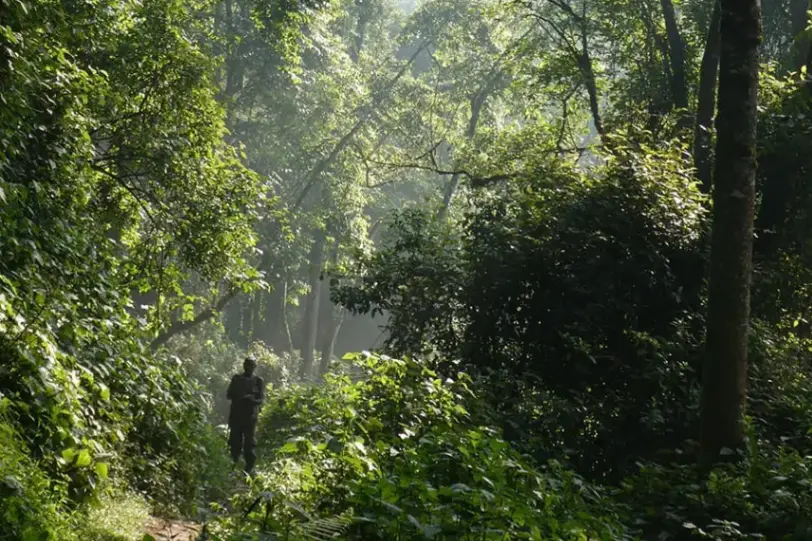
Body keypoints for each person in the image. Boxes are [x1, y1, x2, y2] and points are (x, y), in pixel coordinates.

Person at [226, 357, 264, 474]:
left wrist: (251, 400)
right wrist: (240, 396)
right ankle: (232, 468)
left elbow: (261, 400)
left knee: (249, 445)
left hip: (250, 418)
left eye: (251, 365)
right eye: (247, 365)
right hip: (236, 417)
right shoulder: (237, 379)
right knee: (234, 444)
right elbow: (229, 395)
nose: (249, 367)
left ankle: (249, 470)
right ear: (244, 365)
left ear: (254, 367)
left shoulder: (258, 381)